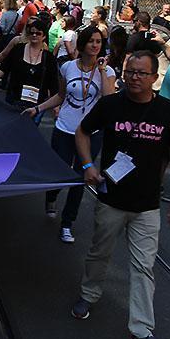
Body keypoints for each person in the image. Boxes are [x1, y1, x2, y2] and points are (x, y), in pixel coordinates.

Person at [72, 50, 170, 339]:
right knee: (99, 253)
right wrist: (88, 165)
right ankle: (88, 295)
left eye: (142, 73)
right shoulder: (111, 104)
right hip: (111, 198)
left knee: (144, 267)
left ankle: (142, 331)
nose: (134, 78)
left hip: (147, 205)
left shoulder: (168, 112)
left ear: (155, 78)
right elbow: (82, 132)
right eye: (130, 72)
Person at [36, 26, 116, 242]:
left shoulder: (107, 72)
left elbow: (109, 101)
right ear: (82, 44)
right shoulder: (68, 67)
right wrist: (38, 109)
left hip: (92, 133)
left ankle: (67, 222)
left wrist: (101, 71)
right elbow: (61, 96)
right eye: (91, 41)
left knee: (81, 178)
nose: (95, 45)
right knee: (60, 172)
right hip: (64, 129)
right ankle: (51, 196)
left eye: (99, 41)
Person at [0, 19, 58, 110]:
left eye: (38, 33)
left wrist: (56, 107)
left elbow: (53, 82)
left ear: (43, 36)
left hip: (36, 104)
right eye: (32, 33)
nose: (34, 35)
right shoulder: (18, 49)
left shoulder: (49, 58)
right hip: (14, 98)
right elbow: (4, 68)